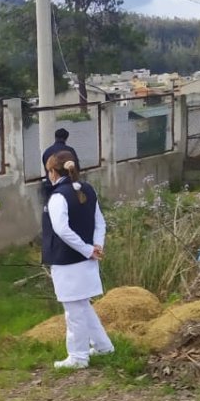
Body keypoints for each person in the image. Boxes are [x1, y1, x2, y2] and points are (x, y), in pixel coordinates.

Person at [41, 150, 114, 369]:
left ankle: (78, 357)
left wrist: (86, 249)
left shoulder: (58, 197)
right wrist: (96, 246)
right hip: (86, 260)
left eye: (48, 172)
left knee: (73, 312)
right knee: (83, 306)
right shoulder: (88, 190)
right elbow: (99, 222)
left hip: (68, 263)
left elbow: (62, 230)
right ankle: (103, 347)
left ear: (53, 172)